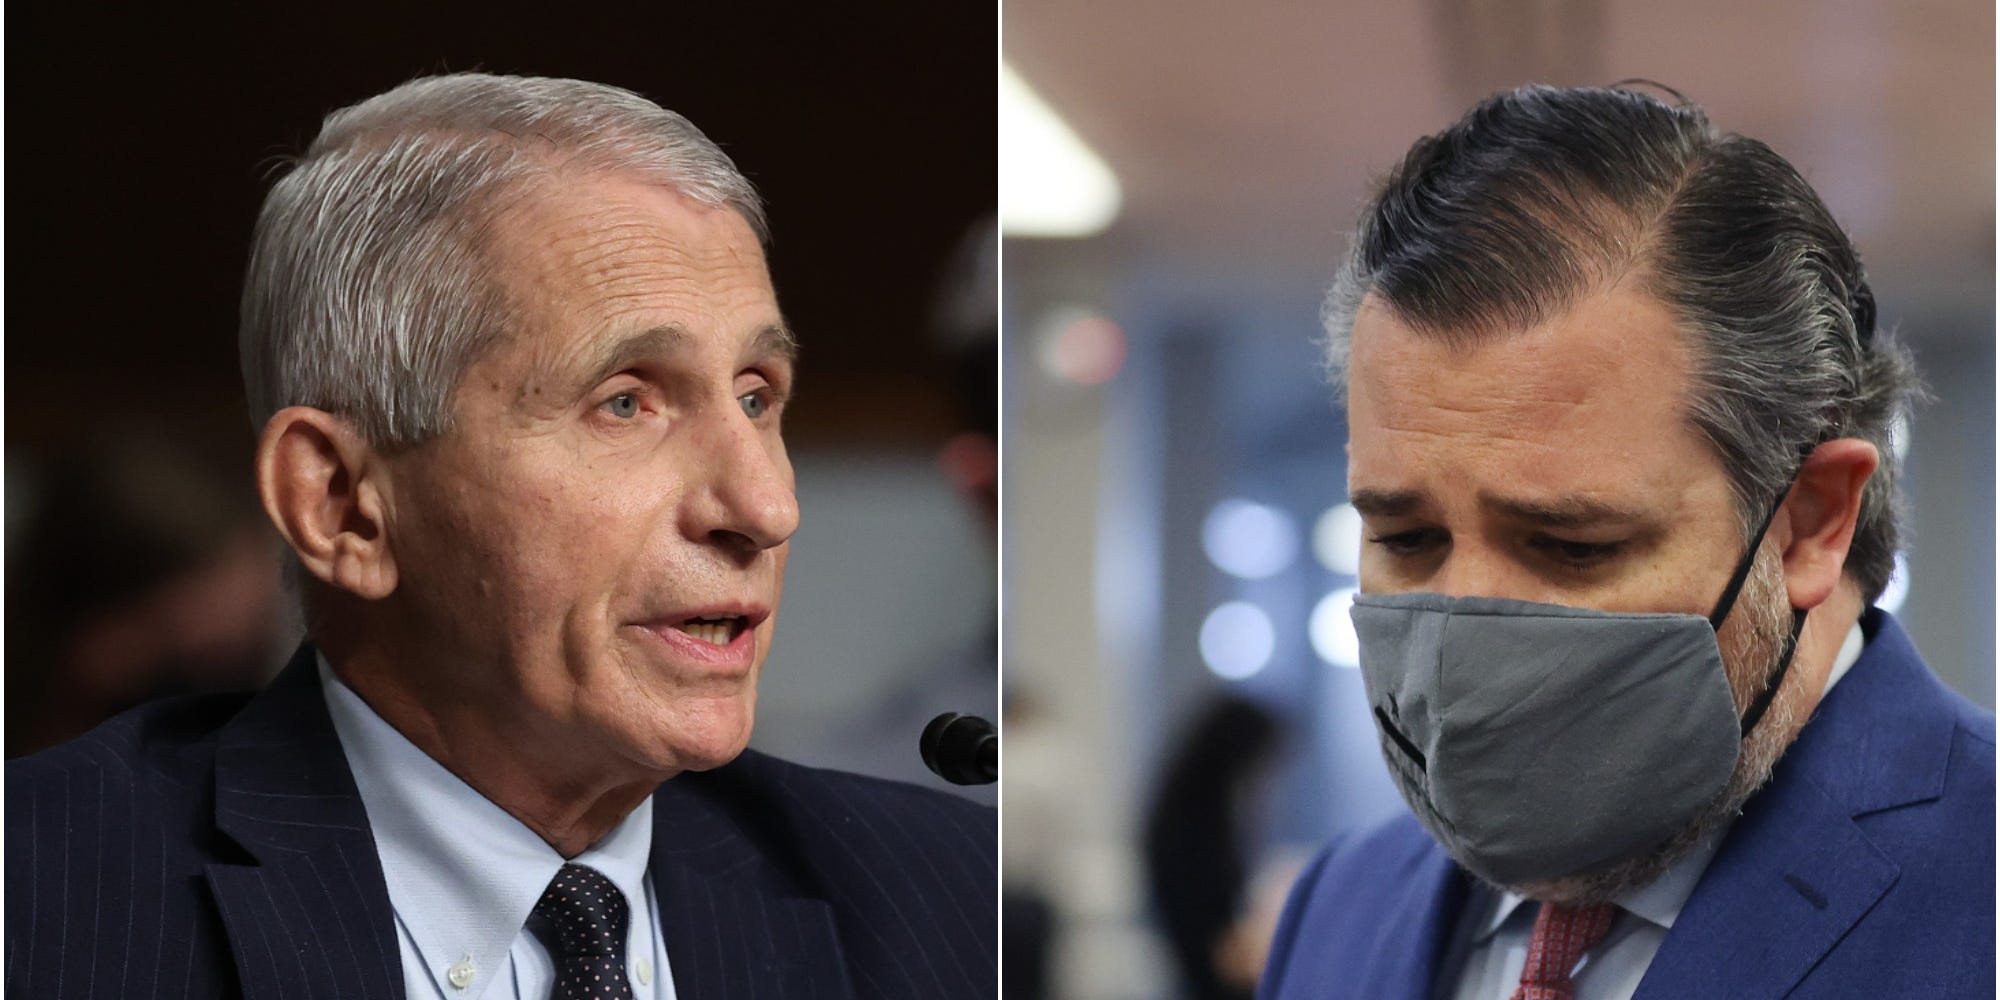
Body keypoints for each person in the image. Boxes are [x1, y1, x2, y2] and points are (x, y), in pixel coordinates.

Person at [6, 73, 995, 1000]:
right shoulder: (40, 904)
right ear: (341, 503)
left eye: (755, 396)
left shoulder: (945, 906)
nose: (765, 507)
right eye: (624, 403)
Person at [1258, 84, 1993, 1000]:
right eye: (1406, 538)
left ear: (1809, 521)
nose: (1468, 635)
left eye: (1571, 545)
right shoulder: (1343, 907)